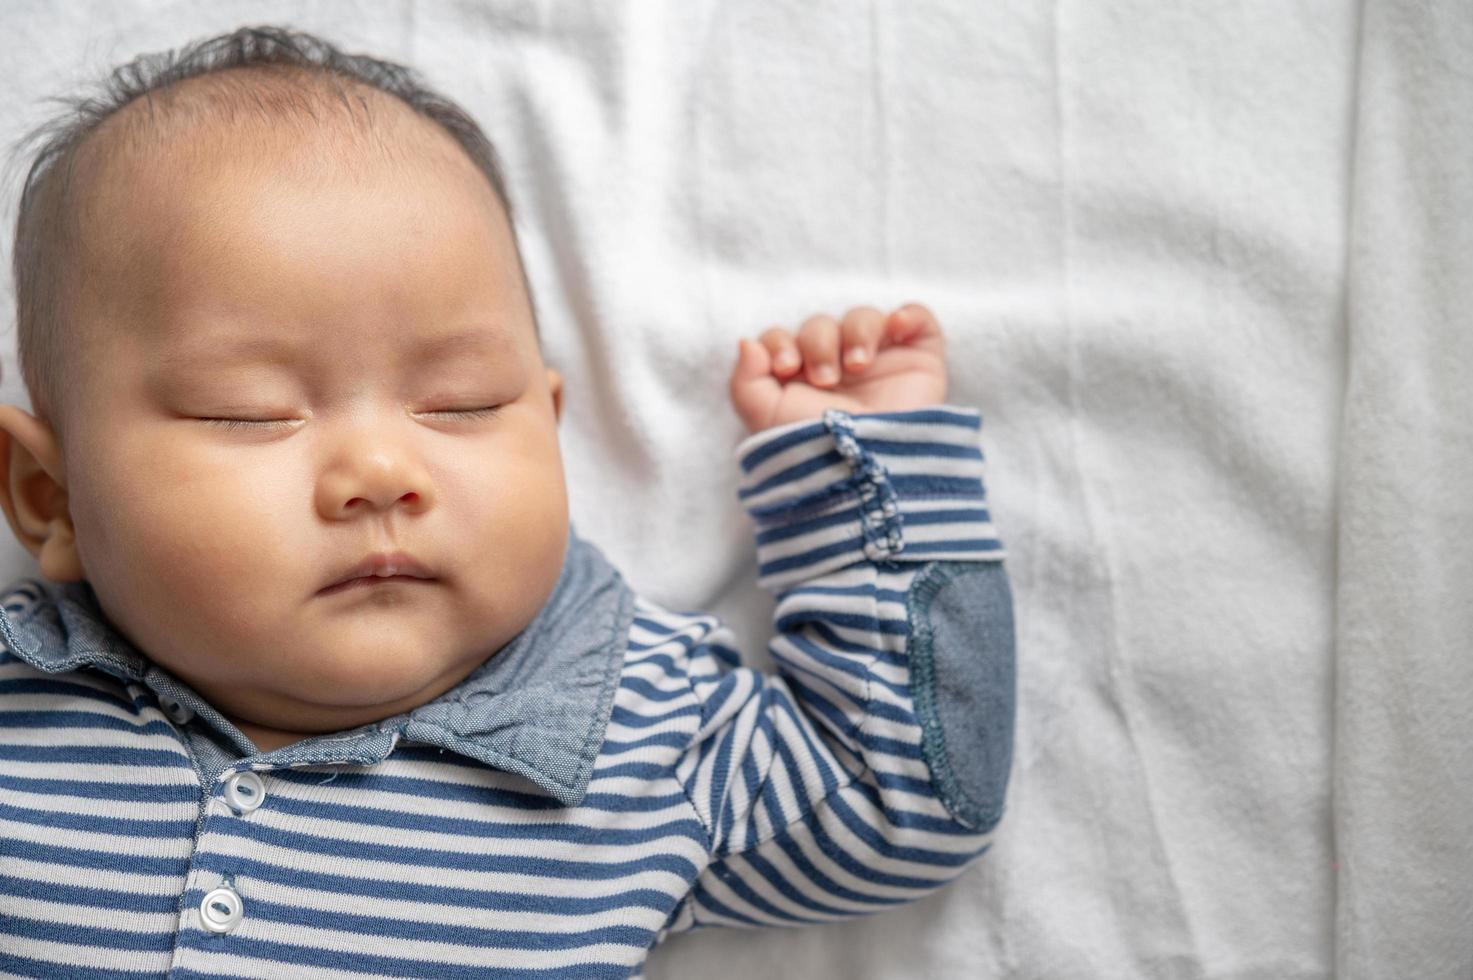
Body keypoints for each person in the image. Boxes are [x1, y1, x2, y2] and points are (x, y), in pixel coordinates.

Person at [0, 24, 1015, 978]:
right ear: (54, 497)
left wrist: (852, 464)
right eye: (250, 411)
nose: (382, 471)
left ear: (550, 420)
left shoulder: (640, 737)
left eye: (463, 402)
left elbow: (904, 795)